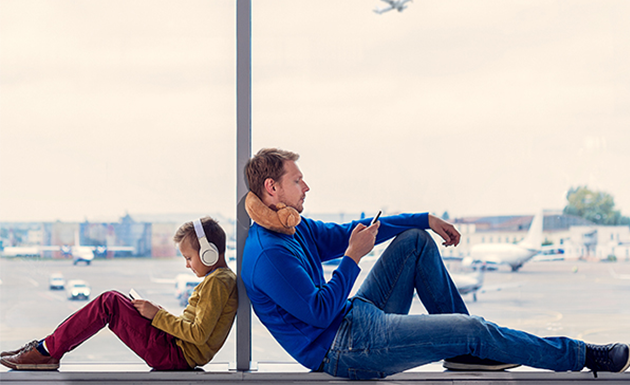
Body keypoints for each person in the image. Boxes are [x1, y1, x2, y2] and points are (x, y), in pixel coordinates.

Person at [241, 148, 630, 380]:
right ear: (272, 189)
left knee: (414, 242)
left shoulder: (292, 226)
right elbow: (320, 313)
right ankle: (582, 355)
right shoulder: (268, 255)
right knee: (472, 328)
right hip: (345, 348)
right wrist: (353, 257)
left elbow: (351, 230)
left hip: (354, 319)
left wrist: (422, 218)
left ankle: (468, 353)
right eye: (298, 181)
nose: (307, 187)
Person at [1, 217, 238, 371]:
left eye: (189, 258)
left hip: (175, 355)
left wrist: (156, 316)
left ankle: (46, 352)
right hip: (173, 347)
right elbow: (195, 327)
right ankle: (45, 349)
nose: (187, 265)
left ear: (209, 253)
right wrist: (159, 313)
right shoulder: (218, 280)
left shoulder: (218, 282)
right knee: (114, 299)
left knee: (109, 302)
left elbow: (198, 334)